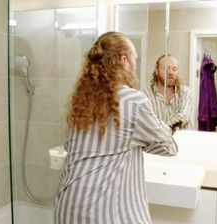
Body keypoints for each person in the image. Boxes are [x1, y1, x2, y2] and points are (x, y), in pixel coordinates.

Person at [53, 32, 178, 224]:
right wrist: (156, 132)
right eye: (135, 59)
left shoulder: (82, 99)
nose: (135, 66)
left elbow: (71, 147)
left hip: (68, 206)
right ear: (124, 59)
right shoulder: (134, 101)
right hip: (102, 214)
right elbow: (168, 147)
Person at [144, 54, 193, 130]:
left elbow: (183, 116)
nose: (170, 72)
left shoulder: (185, 92)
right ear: (156, 71)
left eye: (174, 69)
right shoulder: (146, 95)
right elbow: (149, 124)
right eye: (166, 68)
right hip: (159, 141)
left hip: (183, 141)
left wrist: (162, 126)